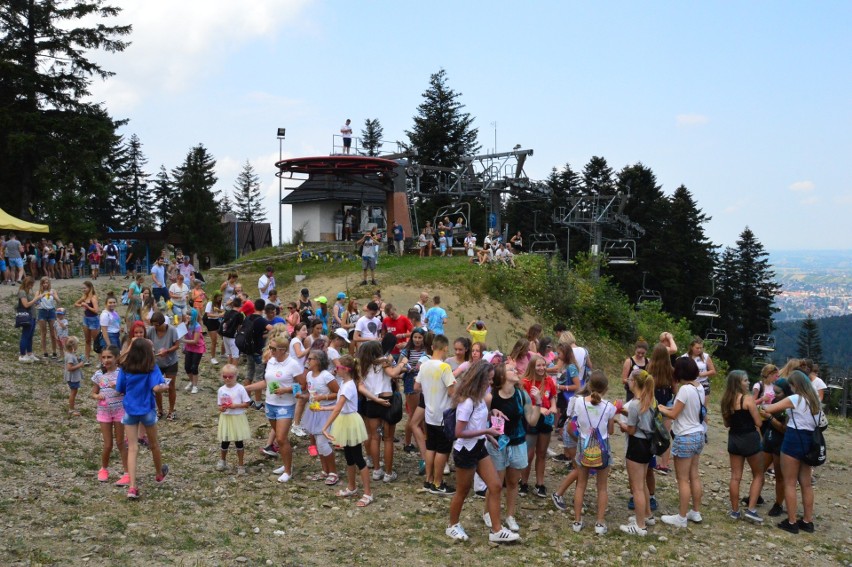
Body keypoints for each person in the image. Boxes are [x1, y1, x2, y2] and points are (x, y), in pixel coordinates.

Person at [446, 360, 520, 543]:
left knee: (495, 486)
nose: (490, 383)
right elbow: (459, 432)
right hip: (465, 451)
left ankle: (496, 530)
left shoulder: (479, 399)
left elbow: (478, 421)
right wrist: (487, 431)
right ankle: (452, 526)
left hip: (479, 447)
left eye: (491, 379)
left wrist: (490, 428)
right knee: (462, 491)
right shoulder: (467, 402)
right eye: (488, 379)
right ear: (479, 379)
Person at [759, 371, 823, 534]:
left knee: (789, 482)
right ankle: (808, 521)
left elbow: (769, 408)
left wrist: (762, 405)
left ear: (794, 385)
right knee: (806, 484)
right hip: (809, 441)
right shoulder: (814, 400)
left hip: (793, 439)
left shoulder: (795, 399)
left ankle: (792, 521)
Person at [487, 362, 542, 533]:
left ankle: (510, 516)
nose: (516, 370)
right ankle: (488, 512)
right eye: (511, 369)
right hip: (497, 444)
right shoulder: (491, 396)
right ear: (502, 376)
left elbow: (532, 421)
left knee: (512, 482)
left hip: (517, 443)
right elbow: (483, 418)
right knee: (495, 482)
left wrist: (538, 402)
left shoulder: (521, 394)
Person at [244, 335, 304, 483]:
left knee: (281, 438)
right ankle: (286, 463)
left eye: (273, 349)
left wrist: (286, 390)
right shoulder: (271, 361)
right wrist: (247, 388)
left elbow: (302, 385)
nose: (270, 351)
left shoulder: (293, 364)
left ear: (283, 350)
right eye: (269, 348)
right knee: (279, 437)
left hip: (285, 405)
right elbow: (267, 382)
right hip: (270, 403)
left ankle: (288, 471)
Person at [115, 338, 169, 499]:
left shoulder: (125, 369)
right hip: (147, 409)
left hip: (130, 410)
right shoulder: (151, 368)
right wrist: (164, 387)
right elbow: (156, 387)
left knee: (132, 448)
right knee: (154, 445)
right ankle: (159, 473)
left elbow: (119, 389)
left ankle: (132, 487)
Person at [659, 357, 706, 528]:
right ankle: (696, 511)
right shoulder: (698, 387)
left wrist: (660, 408)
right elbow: (681, 409)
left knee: (682, 479)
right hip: (698, 434)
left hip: (685, 436)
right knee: (694, 475)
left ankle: (681, 517)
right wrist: (665, 408)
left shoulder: (685, 389)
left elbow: (674, 414)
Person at [321, 354, 373, 505]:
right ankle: (352, 487)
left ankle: (368, 493)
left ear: (346, 369)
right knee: (349, 457)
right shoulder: (344, 384)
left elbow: (338, 408)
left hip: (350, 422)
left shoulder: (349, 386)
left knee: (358, 458)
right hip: (345, 420)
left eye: (338, 368)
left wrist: (325, 427)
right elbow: (339, 406)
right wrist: (322, 409)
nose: (336, 370)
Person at [570, 370, 617, 535]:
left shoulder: (578, 403)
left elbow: (575, 424)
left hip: (583, 445)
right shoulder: (610, 407)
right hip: (603, 446)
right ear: (606, 388)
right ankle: (599, 522)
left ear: (588, 385)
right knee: (602, 487)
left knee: (581, 485)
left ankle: (577, 521)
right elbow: (610, 431)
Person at [721, 370, 765, 523]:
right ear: (738, 383)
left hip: (734, 439)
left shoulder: (726, 400)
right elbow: (758, 422)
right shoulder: (747, 399)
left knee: (735, 477)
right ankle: (751, 509)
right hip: (750, 439)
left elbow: (727, 423)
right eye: (745, 380)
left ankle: (735, 511)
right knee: (758, 474)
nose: (748, 383)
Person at [358, 341, 405, 483]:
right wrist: (402, 363)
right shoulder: (384, 362)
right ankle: (388, 473)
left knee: (374, 437)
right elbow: (393, 373)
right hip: (387, 400)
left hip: (371, 402)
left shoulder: (362, 366)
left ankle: (377, 470)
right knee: (388, 438)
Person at [415, 335, 457, 494]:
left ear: (433, 347)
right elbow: (452, 392)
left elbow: (416, 386)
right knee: (443, 450)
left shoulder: (424, 365)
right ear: (445, 348)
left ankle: (428, 480)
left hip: (430, 414)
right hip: (443, 415)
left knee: (431, 447)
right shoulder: (445, 367)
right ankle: (438, 483)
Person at [618, 369, 656, 535]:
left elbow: (631, 429)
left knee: (637, 487)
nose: (627, 381)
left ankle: (640, 526)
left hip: (636, 445)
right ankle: (646, 514)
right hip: (647, 444)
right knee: (643, 483)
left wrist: (620, 423)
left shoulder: (634, 404)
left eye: (630, 379)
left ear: (634, 382)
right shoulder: (649, 399)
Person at [89, 345, 130, 485]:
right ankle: (104, 469)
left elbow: (128, 391)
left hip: (120, 411)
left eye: (109, 357)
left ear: (117, 358)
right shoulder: (99, 375)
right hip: (104, 411)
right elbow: (93, 392)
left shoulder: (122, 373)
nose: (106, 360)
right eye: (104, 357)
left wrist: (117, 387)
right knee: (108, 444)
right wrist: (97, 396)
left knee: (120, 442)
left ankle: (127, 473)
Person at [519, 355, 557, 497]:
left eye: (543, 365)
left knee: (542, 453)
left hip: (546, 419)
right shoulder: (526, 382)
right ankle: (523, 482)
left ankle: (540, 483)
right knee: (529, 454)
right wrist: (538, 408)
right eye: (538, 366)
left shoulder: (549, 380)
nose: (541, 368)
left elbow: (552, 396)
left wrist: (553, 406)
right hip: (531, 419)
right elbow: (525, 403)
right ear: (532, 367)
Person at [302, 350, 340, 485]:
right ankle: (325, 470)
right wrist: (302, 396)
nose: (308, 361)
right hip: (314, 410)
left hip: (326, 411)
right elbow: (311, 393)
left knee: (323, 443)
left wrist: (323, 397)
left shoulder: (326, 376)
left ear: (318, 361)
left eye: (311, 359)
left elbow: (338, 393)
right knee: (319, 443)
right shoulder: (309, 376)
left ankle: (333, 472)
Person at [215, 364, 251, 475]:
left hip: (237, 417)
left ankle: (241, 464)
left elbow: (247, 403)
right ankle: (222, 460)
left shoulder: (240, 388)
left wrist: (236, 406)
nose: (227, 379)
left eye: (230, 377)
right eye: (225, 376)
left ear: (236, 376)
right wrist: (222, 408)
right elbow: (219, 405)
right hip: (226, 417)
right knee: (225, 440)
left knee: (238, 441)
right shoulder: (221, 390)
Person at [147, 312, 180, 420]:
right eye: (154, 324)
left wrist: (167, 351)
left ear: (162, 323)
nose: (155, 327)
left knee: (171, 385)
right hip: (156, 363)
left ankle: (171, 410)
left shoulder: (172, 330)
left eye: (157, 325)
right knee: (157, 386)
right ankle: (160, 410)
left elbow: (177, 345)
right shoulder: (151, 331)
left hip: (170, 361)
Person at [36, 276, 61, 359]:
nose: (45, 284)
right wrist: (41, 296)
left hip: (51, 311)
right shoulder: (39, 292)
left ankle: (54, 351)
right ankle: (45, 352)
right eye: (44, 283)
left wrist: (53, 295)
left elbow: (59, 301)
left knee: (53, 333)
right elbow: (35, 302)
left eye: (47, 283)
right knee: (43, 333)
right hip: (42, 311)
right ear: (41, 284)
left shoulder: (53, 291)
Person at [181, 308, 205, 394]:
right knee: (187, 367)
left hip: (198, 348)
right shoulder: (185, 324)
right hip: (189, 347)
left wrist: (183, 341)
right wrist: (185, 324)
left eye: (190, 315)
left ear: (194, 316)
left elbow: (195, 341)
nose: (187, 316)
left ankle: (195, 385)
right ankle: (191, 381)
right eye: (187, 314)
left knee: (194, 367)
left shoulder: (197, 326)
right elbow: (180, 333)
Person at [64, 336, 84, 415]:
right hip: (72, 378)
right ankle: (71, 409)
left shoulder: (69, 354)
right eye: (77, 345)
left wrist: (78, 360)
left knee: (74, 392)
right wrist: (80, 365)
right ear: (73, 347)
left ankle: (72, 407)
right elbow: (69, 368)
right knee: (73, 392)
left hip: (72, 377)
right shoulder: (70, 356)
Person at [204, 293, 225, 365]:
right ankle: (213, 357)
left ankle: (223, 353)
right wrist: (218, 314)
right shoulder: (210, 303)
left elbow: (223, 311)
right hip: (211, 322)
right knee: (214, 340)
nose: (219, 299)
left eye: (220, 297)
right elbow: (208, 314)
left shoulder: (219, 303)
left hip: (217, 321)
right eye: (218, 297)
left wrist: (220, 311)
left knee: (224, 337)